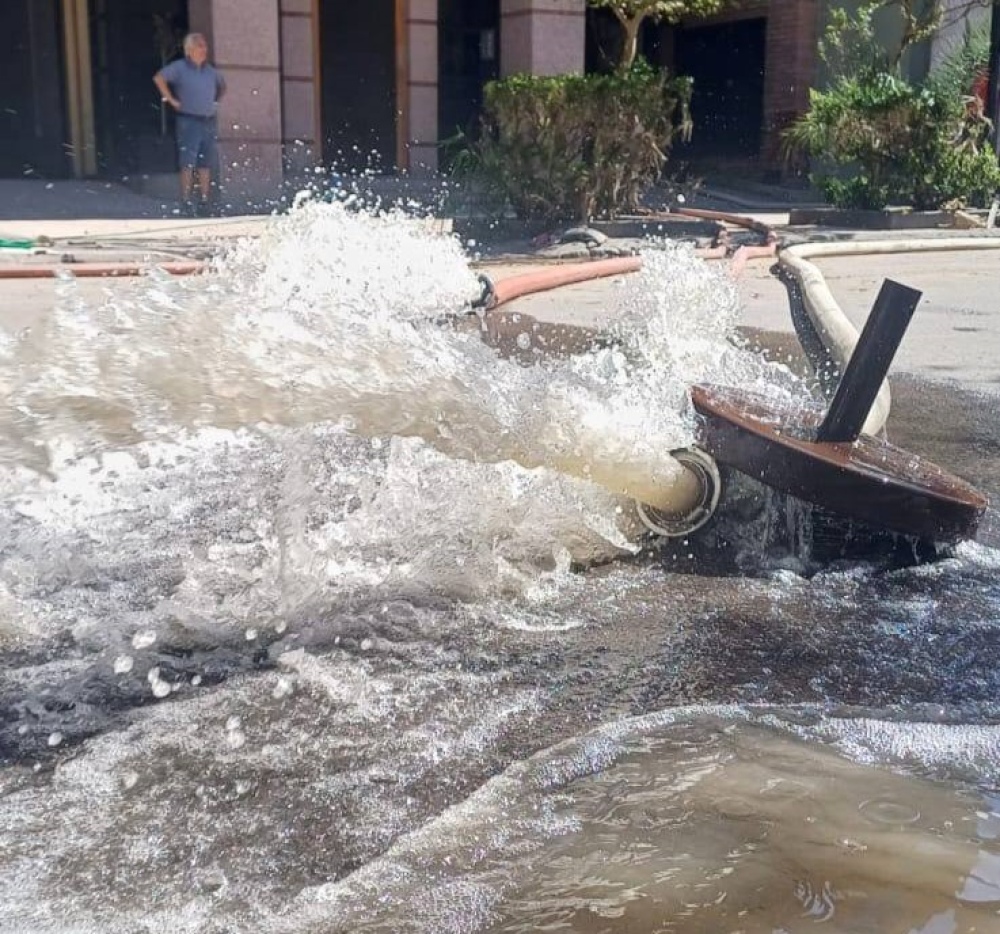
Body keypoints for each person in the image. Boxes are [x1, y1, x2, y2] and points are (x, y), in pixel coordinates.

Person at [153, 33, 226, 216]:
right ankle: (186, 201)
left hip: (208, 120)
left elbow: (222, 85)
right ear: (190, 50)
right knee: (188, 161)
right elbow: (159, 78)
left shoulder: (210, 71)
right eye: (200, 46)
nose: (204, 49)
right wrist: (171, 100)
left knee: (205, 163)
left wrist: (214, 102)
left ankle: (203, 201)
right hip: (189, 120)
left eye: (204, 46)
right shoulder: (180, 68)